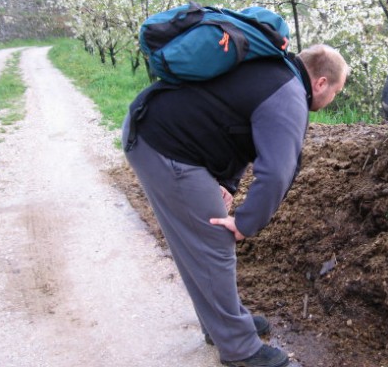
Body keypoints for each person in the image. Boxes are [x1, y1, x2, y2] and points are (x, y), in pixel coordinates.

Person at [122, 44, 349, 367]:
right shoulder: (289, 96)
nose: (333, 100)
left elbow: (238, 124)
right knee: (213, 242)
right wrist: (245, 223)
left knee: (200, 243)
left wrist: (227, 184)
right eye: (336, 91)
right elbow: (276, 173)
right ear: (322, 83)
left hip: (156, 132)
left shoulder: (275, 74)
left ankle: (223, 324)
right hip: (164, 145)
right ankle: (239, 347)